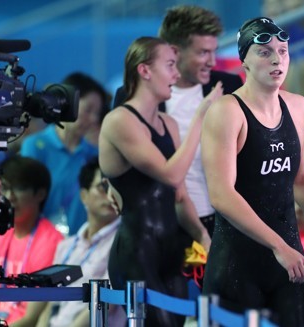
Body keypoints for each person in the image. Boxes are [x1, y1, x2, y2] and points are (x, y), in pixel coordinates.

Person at [112, 5, 304, 236]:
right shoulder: (133, 95)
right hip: (155, 225)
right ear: (174, 51)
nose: (212, 61)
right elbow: (117, 150)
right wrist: (109, 183)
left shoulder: (225, 84)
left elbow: (274, 125)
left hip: (217, 222)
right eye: (203, 53)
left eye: (214, 51)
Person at [201, 17, 304, 327]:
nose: (277, 59)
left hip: (289, 263)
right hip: (237, 266)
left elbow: (301, 180)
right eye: (265, 52)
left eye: (283, 51)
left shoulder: (297, 106)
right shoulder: (226, 111)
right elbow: (221, 194)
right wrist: (278, 246)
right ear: (243, 59)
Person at [99, 36, 212, 327]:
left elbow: (180, 192)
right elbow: (171, 173)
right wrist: (201, 117)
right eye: (170, 65)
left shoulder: (168, 124)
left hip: (170, 253)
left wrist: (202, 236)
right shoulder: (119, 121)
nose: (176, 74)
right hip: (137, 253)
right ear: (145, 71)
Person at [11, 158, 126, 327]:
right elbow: (47, 303)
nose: (110, 196)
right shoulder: (66, 246)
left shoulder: (123, 246)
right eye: (103, 188)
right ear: (84, 196)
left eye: (116, 189)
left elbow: (104, 304)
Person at [20, 72, 110, 236]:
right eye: (88, 110)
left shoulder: (94, 155)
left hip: (77, 245)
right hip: (39, 241)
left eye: (97, 113)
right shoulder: (36, 146)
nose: (93, 119)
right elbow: (25, 200)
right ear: (67, 103)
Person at [0, 156, 64, 324]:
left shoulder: (53, 242)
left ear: (40, 194)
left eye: (20, 188)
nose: (10, 197)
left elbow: (32, 317)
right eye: (6, 188)